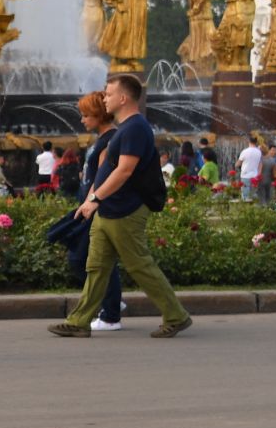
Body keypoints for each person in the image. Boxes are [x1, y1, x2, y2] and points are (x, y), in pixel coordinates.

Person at [50, 73, 191, 339]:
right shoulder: (124, 128)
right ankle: (79, 321)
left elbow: (125, 171)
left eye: (109, 94)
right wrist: (91, 200)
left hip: (126, 209)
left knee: (139, 265)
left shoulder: (136, 127)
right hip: (108, 209)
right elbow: (106, 169)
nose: (105, 98)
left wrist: (95, 199)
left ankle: (176, 315)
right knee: (96, 267)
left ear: (123, 98)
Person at [65, 91, 124, 331]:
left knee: (81, 259)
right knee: (101, 261)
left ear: (99, 115)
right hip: (91, 205)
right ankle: (112, 304)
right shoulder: (104, 138)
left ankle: (111, 310)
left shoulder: (110, 140)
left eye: (86, 115)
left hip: (96, 208)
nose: (82, 120)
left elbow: (102, 178)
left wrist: (90, 203)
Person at [238, 135, 265, 202]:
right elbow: (260, 164)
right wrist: (259, 174)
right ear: (256, 142)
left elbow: (238, 163)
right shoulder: (259, 152)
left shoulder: (245, 151)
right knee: (254, 195)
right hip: (255, 176)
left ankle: (245, 209)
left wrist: (237, 165)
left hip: (245, 175)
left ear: (249, 141)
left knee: (245, 196)